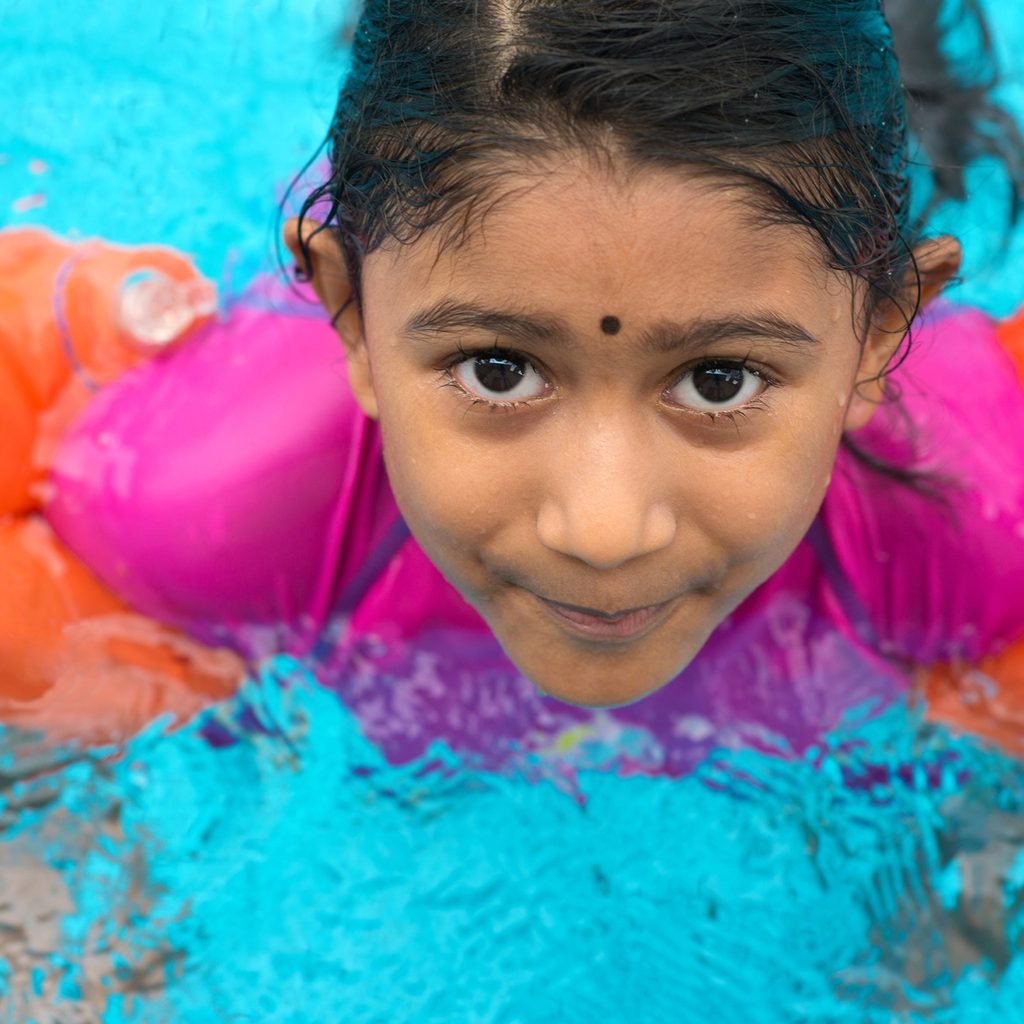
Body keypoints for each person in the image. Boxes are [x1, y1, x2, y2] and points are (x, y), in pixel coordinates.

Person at [5, 0, 1024, 772]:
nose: (604, 530)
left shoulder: (982, 512)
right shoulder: (194, 498)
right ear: (349, 315)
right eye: (499, 369)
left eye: (719, 380)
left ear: (880, 337)